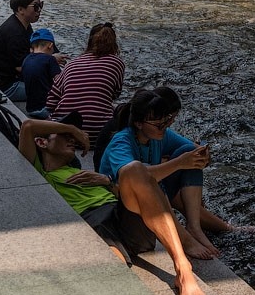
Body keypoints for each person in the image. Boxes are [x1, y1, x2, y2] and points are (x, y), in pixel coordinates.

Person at [18, 113, 207, 295]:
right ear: (41, 142)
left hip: (122, 216)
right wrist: (71, 129)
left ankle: (182, 267)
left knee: (133, 169)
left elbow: (130, 195)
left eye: (72, 136)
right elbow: (28, 126)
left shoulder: (83, 173)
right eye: (63, 135)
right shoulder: (39, 173)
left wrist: (107, 180)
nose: (72, 139)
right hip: (94, 224)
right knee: (113, 274)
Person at [99, 87, 234, 261]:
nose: (164, 126)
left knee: (187, 152)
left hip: (155, 193)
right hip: (125, 204)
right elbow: (136, 176)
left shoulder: (159, 135)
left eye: (166, 120)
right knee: (159, 177)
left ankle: (195, 228)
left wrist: (203, 155)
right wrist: (179, 163)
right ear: (139, 123)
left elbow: (193, 149)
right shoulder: (122, 141)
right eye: (159, 123)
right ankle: (187, 239)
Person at [47, 23, 124, 146]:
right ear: (114, 43)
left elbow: (51, 102)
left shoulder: (72, 63)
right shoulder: (117, 63)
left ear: (89, 41)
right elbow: (115, 94)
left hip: (64, 133)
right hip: (98, 137)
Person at [0, 0, 66, 91]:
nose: (39, 10)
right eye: (36, 6)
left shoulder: (23, 25)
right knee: (55, 91)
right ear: (21, 9)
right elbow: (22, 67)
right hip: (5, 84)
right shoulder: (14, 32)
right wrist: (51, 59)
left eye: (41, 5)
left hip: (11, 77)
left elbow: (34, 50)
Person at [22, 28, 61, 117]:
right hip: (46, 109)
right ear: (50, 46)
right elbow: (60, 82)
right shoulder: (50, 59)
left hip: (30, 109)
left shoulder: (26, 60)